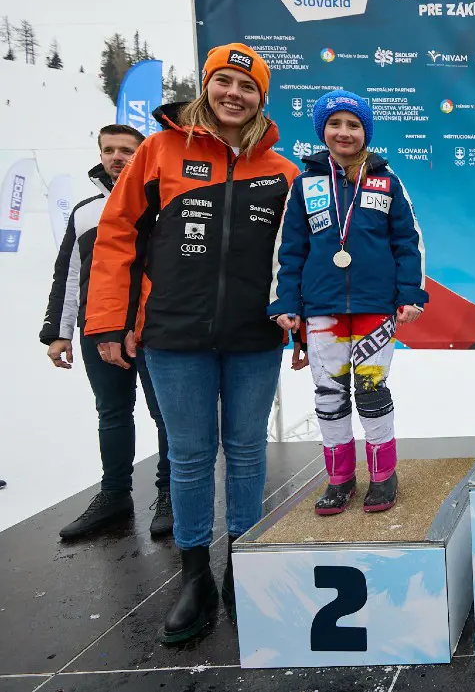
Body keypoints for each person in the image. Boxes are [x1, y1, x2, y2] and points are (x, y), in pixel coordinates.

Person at [86, 43, 299, 644]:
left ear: (262, 99)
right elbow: (117, 236)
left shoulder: (283, 173)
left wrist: (303, 326)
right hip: (174, 335)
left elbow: (296, 263)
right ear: (206, 86)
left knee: (249, 450)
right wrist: (109, 321)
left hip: (254, 337)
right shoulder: (158, 151)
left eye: (247, 86)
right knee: (189, 454)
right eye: (223, 82)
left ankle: (245, 568)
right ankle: (195, 576)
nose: (234, 94)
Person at [269, 90, 427, 515]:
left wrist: (410, 293)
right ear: (323, 130)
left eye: (353, 125)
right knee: (328, 395)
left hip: (376, 306)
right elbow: (290, 249)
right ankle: (339, 480)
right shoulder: (305, 185)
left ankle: (382, 475)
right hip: (322, 308)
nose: (344, 132)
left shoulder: (387, 181)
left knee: (371, 391)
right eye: (335, 124)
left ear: (366, 132)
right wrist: (287, 300)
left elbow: (408, 243)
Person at [41, 124, 173, 540]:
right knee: (112, 414)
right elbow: (70, 274)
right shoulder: (84, 211)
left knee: (166, 415)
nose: (118, 157)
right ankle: (115, 494)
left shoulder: (162, 202)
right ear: (100, 155)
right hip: (98, 328)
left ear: (144, 155)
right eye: (110, 150)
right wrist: (57, 332)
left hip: (155, 328)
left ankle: (170, 494)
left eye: (128, 151)